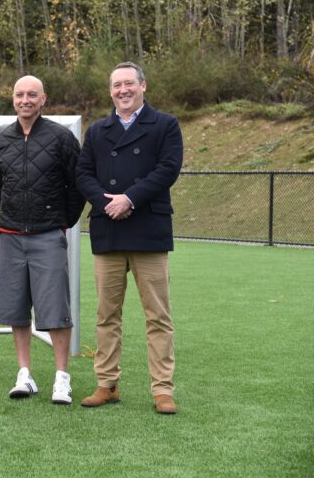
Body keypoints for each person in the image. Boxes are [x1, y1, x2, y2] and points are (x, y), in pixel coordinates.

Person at [76, 61, 183, 414]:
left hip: (148, 230)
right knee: (107, 316)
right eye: (117, 85)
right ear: (110, 91)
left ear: (143, 86)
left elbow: (168, 169)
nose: (123, 90)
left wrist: (130, 198)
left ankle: (163, 389)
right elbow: (83, 173)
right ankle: (107, 384)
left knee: (158, 316)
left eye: (129, 84)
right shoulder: (96, 131)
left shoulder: (165, 125)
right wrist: (106, 202)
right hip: (108, 229)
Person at [0, 75, 86, 404]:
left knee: (56, 308)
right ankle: (25, 374)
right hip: (11, 236)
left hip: (48, 235)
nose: (25, 100)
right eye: (19, 94)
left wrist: (58, 222)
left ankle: (62, 377)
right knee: (16, 308)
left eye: (32, 94)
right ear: (13, 99)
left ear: (44, 99)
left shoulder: (61, 138)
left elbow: (78, 188)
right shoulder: (1, 141)